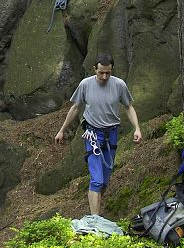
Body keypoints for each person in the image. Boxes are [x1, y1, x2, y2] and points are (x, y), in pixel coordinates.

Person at [54, 52, 142, 216]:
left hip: (112, 134)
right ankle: (95, 220)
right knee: (97, 179)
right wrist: (62, 130)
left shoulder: (119, 85)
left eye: (108, 72)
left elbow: (129, 107)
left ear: (112, 70)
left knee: (105, 180)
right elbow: (75, 108)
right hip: (92, 135)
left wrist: (137, 127)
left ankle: (96, 210)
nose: (104, 76)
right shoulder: (85, 84)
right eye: (101, 72)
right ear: (94, 69)